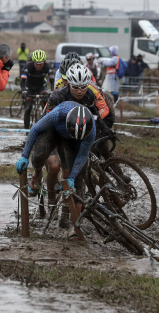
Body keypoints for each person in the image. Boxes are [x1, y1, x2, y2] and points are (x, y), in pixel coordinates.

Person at [41, 65, 114, 227]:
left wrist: (107, 130)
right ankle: (52, 198)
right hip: (54, 132)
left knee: (74, 175)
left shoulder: (89, 95)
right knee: (56, 167)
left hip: (73, 135)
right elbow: (45, 124)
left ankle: (68, 217)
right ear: (68, 84)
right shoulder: (58, 96)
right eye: (76, 87)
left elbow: (96, 114)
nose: (80, 91)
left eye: (83, 87)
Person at [16, 102, 95, 239]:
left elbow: (82, 156)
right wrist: (24, 156)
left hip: (74, 142)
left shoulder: (91, 131)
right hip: (54, 131)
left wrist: (72, 176)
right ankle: (38, 173)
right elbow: (35, 129)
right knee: (40, 154)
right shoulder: (58, 114)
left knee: (77, 180)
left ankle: (75, 227)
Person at [20, 49, 52, 129]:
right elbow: (22, 80)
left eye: (40, 64)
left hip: (41, 86)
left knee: (46, 103)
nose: (38, 66)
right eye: (36, 64)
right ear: (33, 62)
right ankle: (26, 131)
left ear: (44, 62)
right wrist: (24, 90)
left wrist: (52, 90)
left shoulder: (47, 66)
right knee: (28, 109)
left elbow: (52, 80)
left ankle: (46, 126)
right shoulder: (28, 66)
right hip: (29, 87)